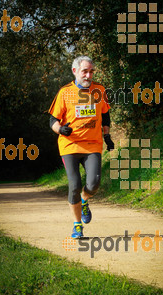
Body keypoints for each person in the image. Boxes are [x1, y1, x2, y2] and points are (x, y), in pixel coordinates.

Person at [48, 56, 114, 238]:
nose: (88, 74)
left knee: (93, 184)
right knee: (75, 184)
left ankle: (84, 200)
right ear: (75, 71)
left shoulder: (99, 90)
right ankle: (77, 225)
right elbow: (52, 119)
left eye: (91, 71)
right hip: (70, 145)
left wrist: (107, 135)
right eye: (85, 71)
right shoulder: (65, 92)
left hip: (93, 144)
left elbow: (105, 114)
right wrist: (60, 129)